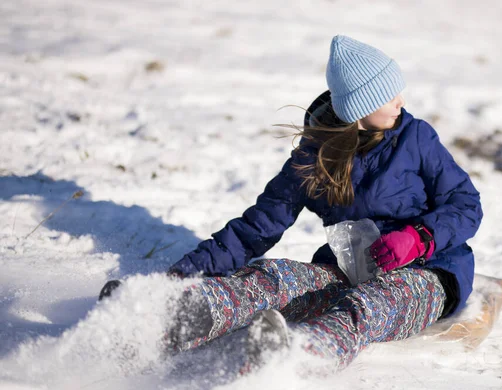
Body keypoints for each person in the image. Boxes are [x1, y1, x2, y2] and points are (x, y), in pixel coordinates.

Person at [155, 35, 482, 370]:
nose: (400, 101)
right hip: (348, 269)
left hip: (429, 272)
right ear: (360, 108)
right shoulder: (315, 157)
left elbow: (466, 204)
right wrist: (181, 275)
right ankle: (190, 311)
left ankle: (300, 354)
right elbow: (257, 226)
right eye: (388, 95)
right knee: (276, 277)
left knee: (372, 304)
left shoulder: (416, 138)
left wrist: (418, 238)